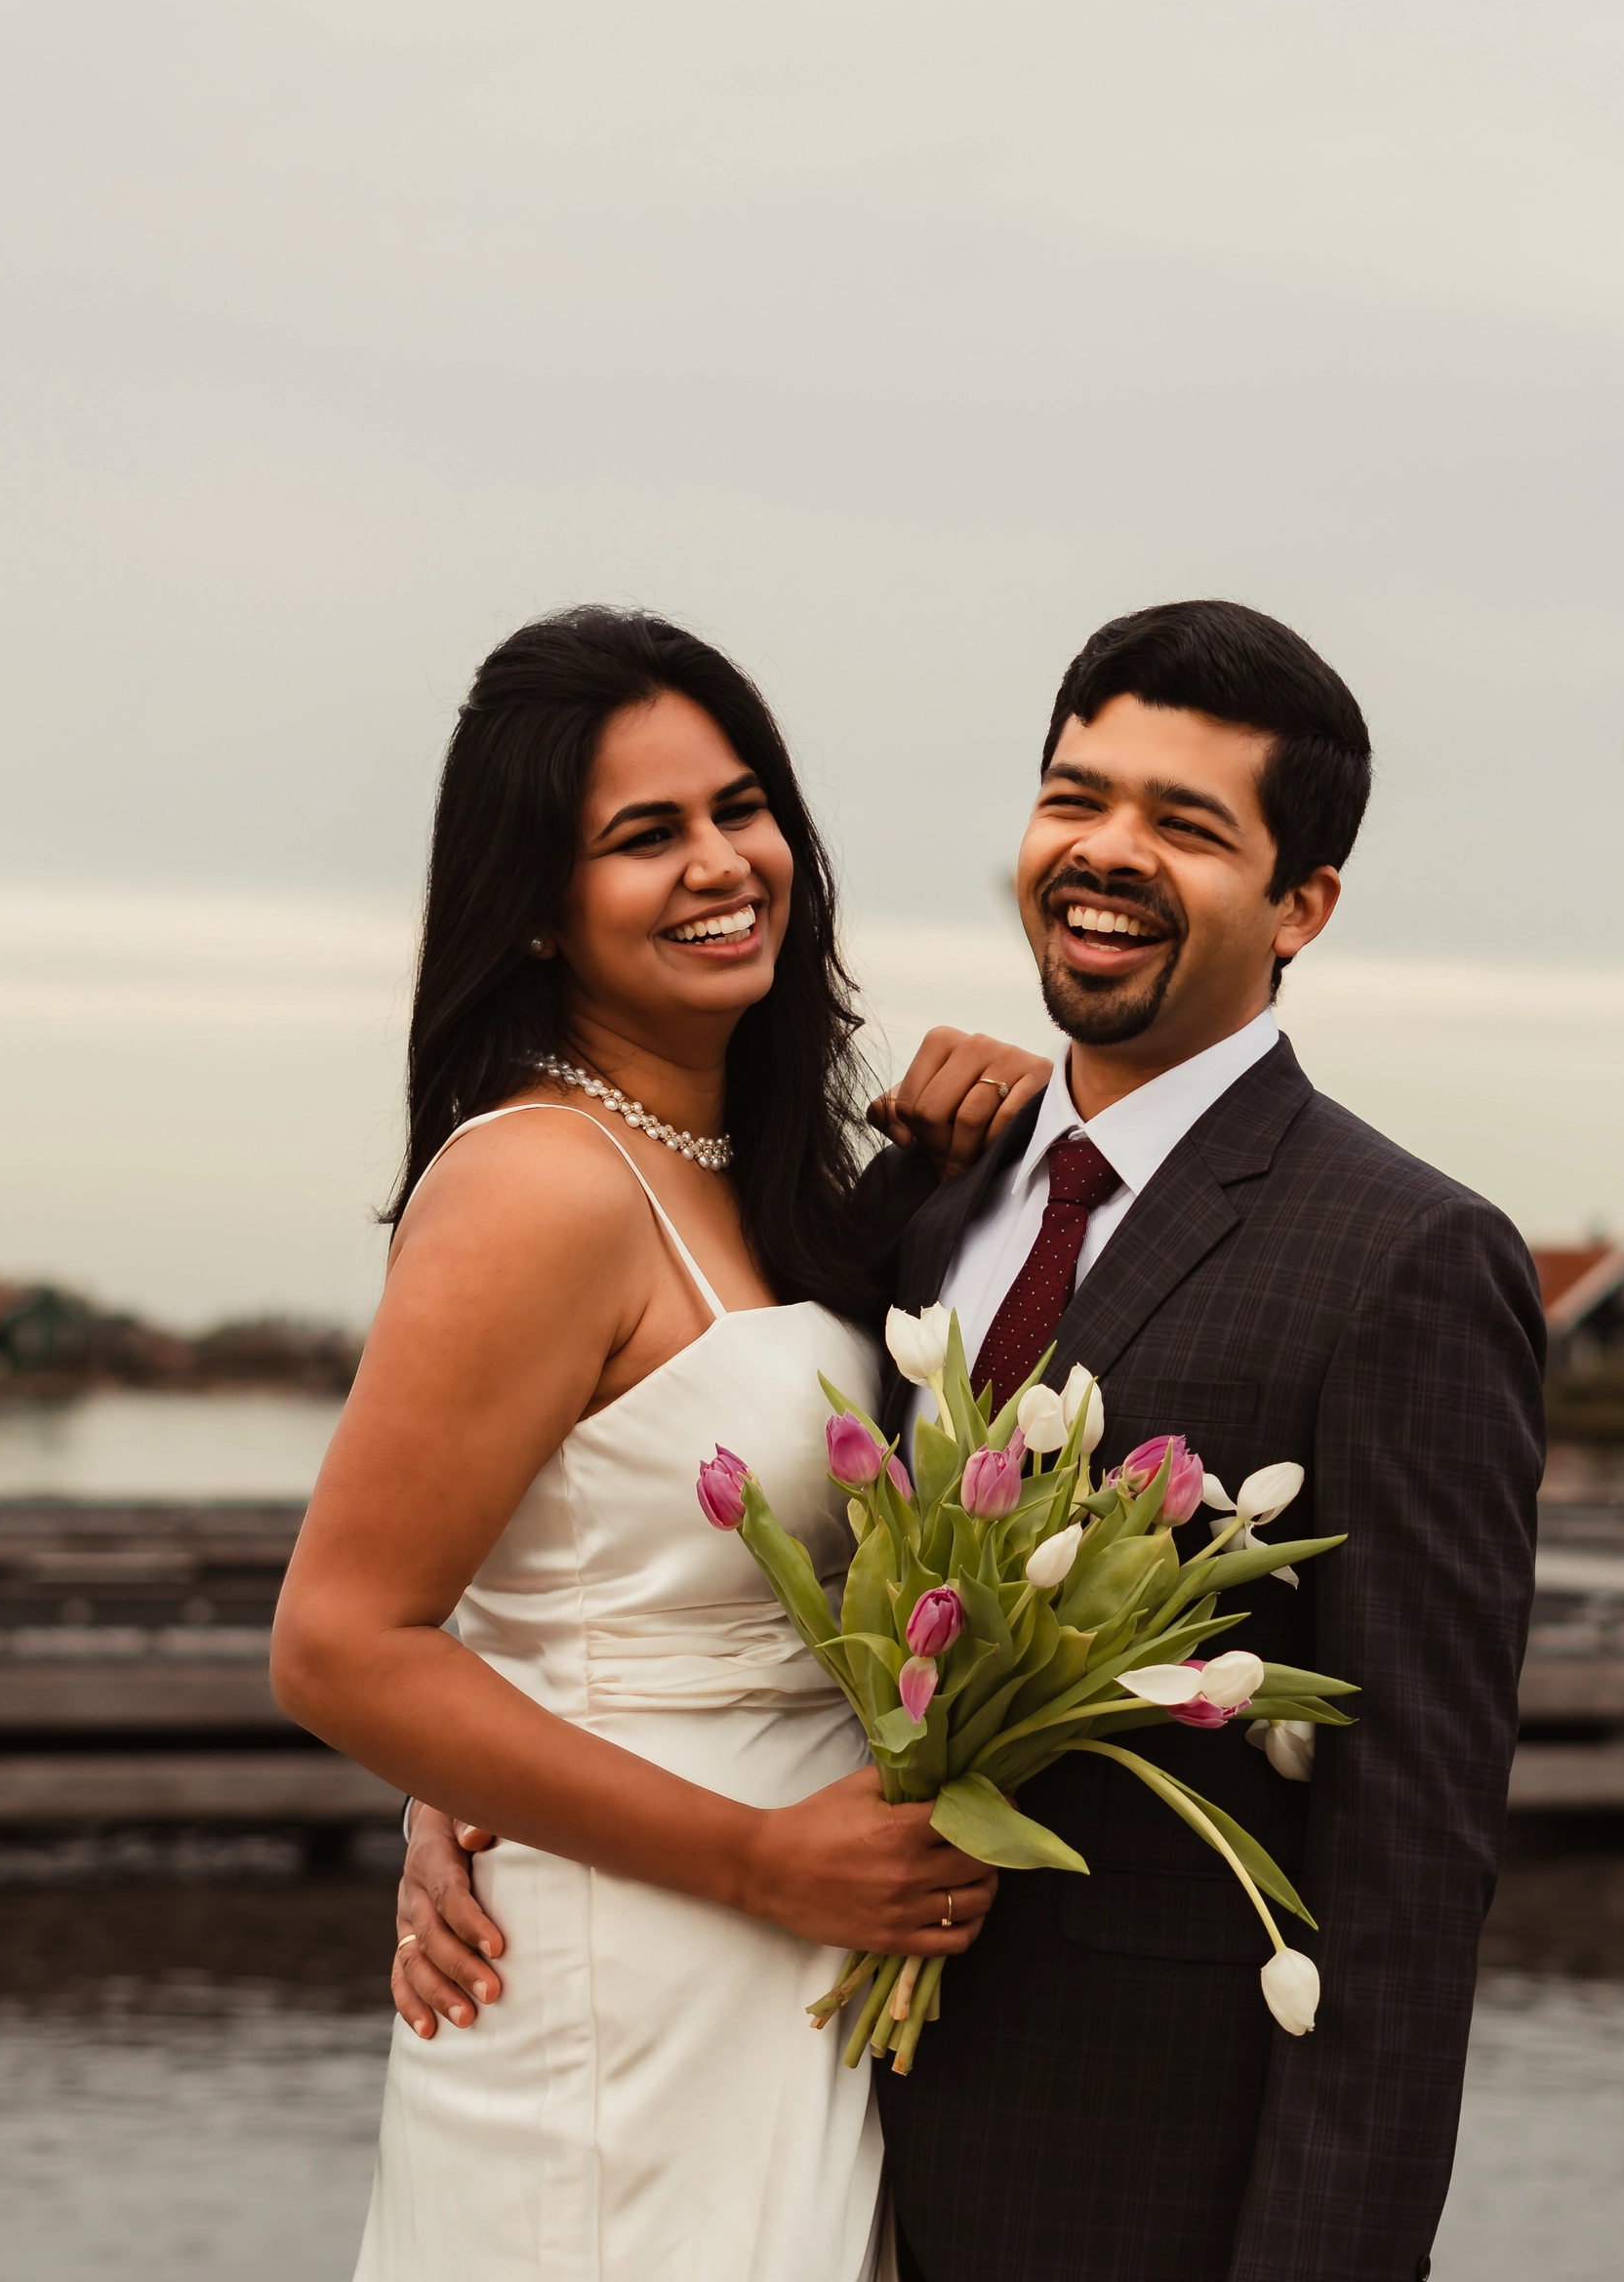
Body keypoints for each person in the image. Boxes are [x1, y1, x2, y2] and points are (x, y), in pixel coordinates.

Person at [400, 596, 1546, 2282]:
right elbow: (663, 1535)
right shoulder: (923, 1198)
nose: (1109, 853)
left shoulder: (1409, 1262)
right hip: (794, 2125)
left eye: (1187, 824)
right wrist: (470, 1775)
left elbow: (1408, 1879)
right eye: (1078, 796)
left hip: (1137, 2200)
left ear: (1302, 902)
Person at [270, 605, 1046, 2282]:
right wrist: (760, 1860)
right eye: (643, 836)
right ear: (537, 911)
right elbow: (338, 1642)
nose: (720, 862)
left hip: (796, 1976)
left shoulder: (755, 1176)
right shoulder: (538, 1182)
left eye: (738, 807)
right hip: (640, 1984)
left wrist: (945, 1154)